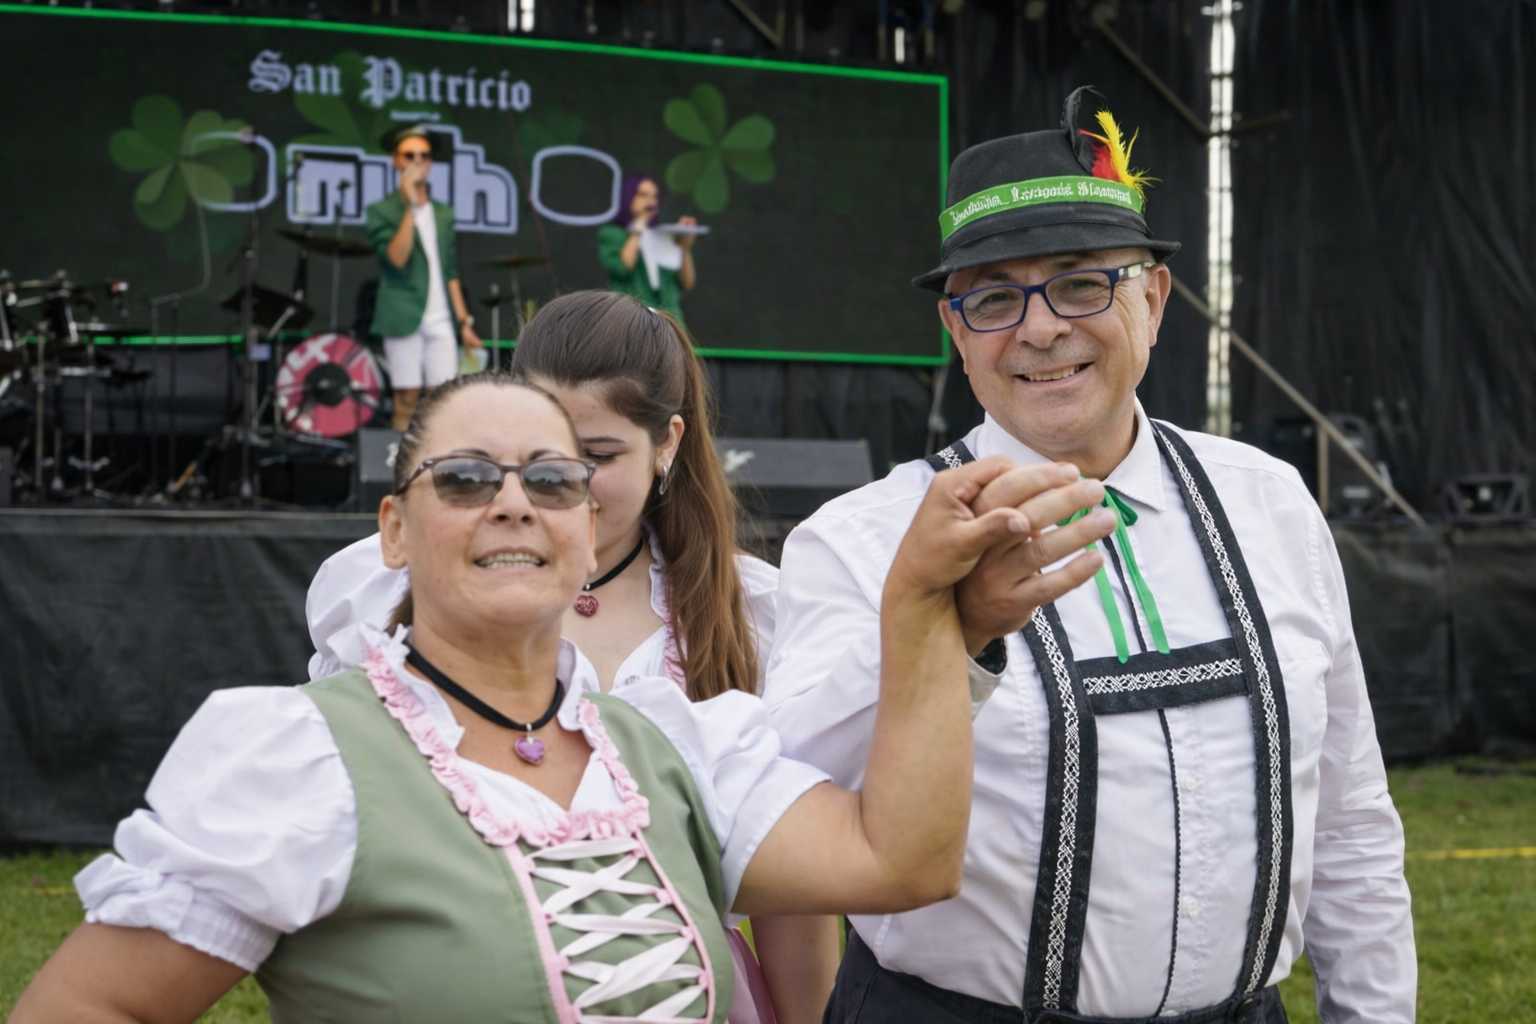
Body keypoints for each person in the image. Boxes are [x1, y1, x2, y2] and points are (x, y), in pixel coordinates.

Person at [11, 372, 1110, 1024]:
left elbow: (899, 860)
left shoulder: (668, 748)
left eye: (551, 479)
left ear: (590, 531)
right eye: (464, 478)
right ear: (393, 530)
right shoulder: (305, 760)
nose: (513, 504)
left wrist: (927, 615)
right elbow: (93, 1005)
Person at [763, 86, 1416, 1023]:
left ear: (1154, 297)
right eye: (994, 298)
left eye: (1079, 284)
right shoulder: (861, 539)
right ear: (956, 332)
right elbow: (794, 794)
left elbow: (1349, 820)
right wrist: (940, 628)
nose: (1039, 328)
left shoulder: (1268, 501)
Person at [305, 289, 834, 1021]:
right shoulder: (396, 579)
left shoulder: (750, 613)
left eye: (599, 455)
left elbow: (799, 892)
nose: (565, 483)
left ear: (667, 444)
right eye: (545, 452)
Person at [366, 125, 483, 431]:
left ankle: (438, 459)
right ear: (396, 161)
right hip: (402, 313)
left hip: (440, 318)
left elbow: (450, 271)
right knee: (406, 397)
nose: (417, 161)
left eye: (424, 155)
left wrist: (464, 322)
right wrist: (409, 206)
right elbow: (397, 258)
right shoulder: (381, 210)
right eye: (409, 155)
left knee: (443, 401)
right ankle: (399, 460)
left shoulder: (443, 213)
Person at [596, 174, 698, 323]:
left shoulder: (664, 235)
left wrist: (684, 248)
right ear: (628, 197)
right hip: (631, 317)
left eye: (654, 196)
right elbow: (622, 268)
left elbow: (687, 283)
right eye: (643, 195)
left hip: (669, 319)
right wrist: (639, 226)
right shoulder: (612, 234)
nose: (650, 201)